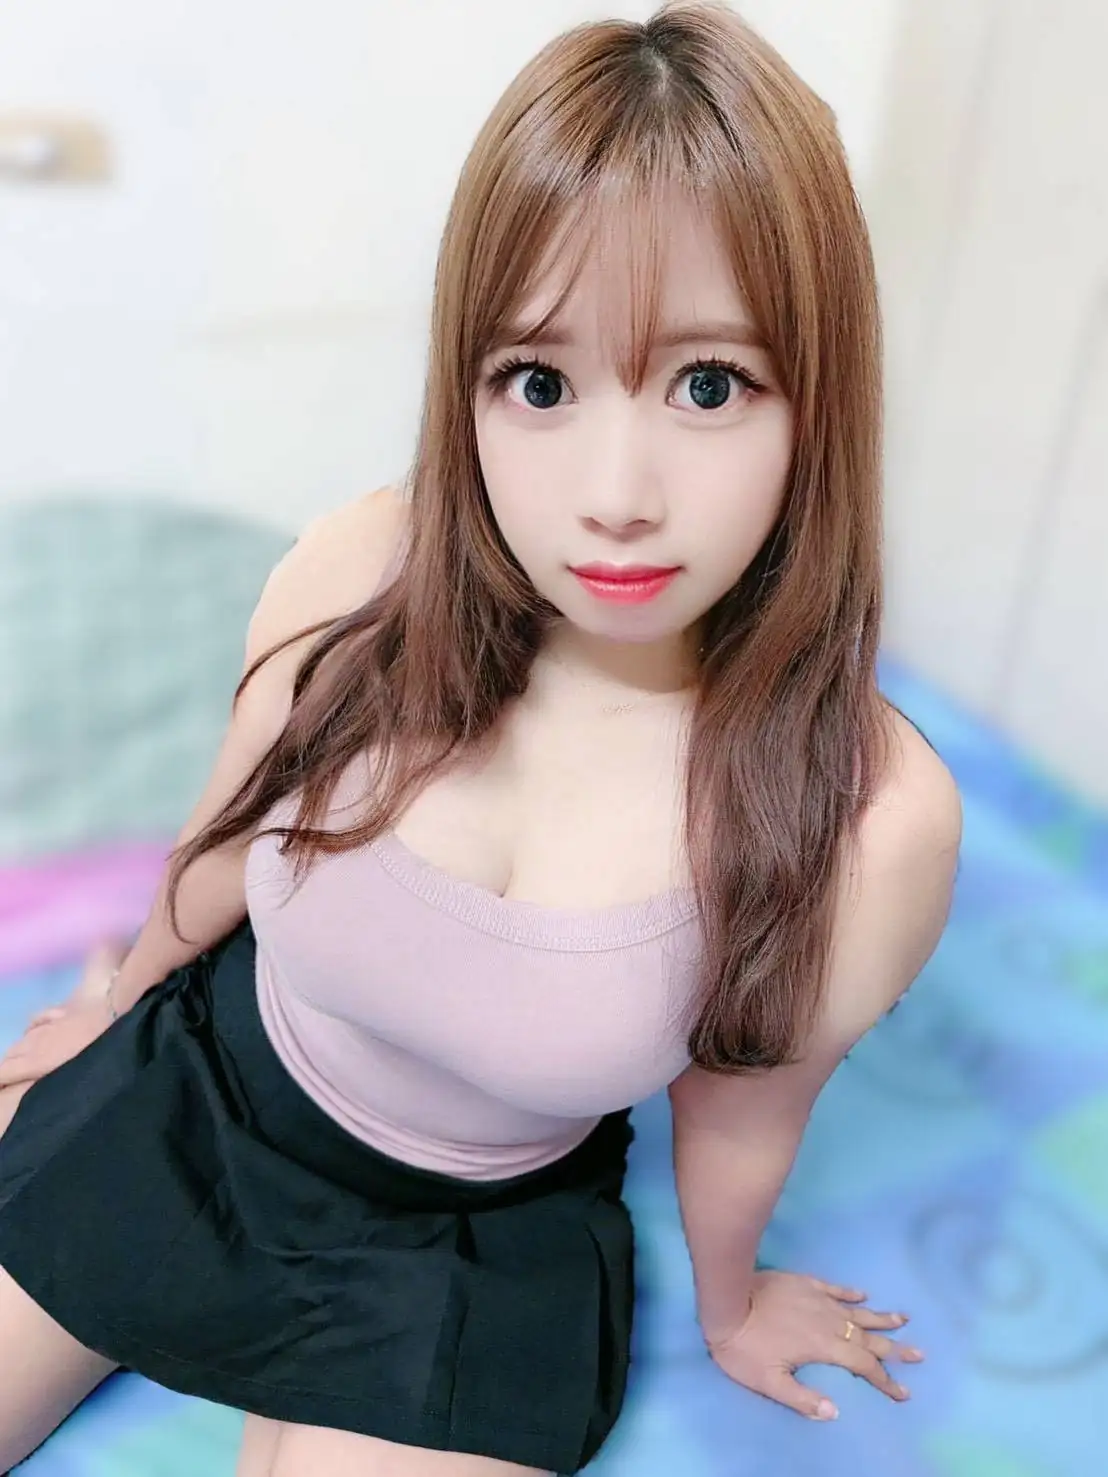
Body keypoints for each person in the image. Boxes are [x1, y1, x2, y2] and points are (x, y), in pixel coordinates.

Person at [0, 4, 962, 1475]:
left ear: (816, 402)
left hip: (471, 1252)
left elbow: (739, 1112)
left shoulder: (867, 818)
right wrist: (117, 1019)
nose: (617, 495)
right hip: (198, 1105)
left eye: (709, 384)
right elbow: (225, 837)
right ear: (469, 388)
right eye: (541, 384)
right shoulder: (362, 570)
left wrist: (729, 1305)